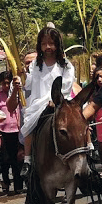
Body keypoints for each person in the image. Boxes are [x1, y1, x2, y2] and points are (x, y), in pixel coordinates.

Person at [10, 27, 75, 178]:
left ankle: (87, 150)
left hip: (60, 101)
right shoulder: (35, 65)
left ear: (57, 45)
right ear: (39, 45)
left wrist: (56, 99)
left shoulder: (65, 65)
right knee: (29, 123)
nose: (48, 47)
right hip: (39, 102)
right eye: (44, 44)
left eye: (51, 43)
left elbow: (67, 84)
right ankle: (28, 159)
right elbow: (30, 83)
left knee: (78, 121)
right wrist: (21, 80)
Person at [0, 71, 23, 195]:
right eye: (4, 83)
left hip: (16, 130)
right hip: (2, 131)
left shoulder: (17, 93)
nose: (6, 85)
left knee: (17, 159)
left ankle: (18, 185)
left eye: (8, 83)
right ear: (0, 83)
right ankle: (6, 184)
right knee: (4, 160)